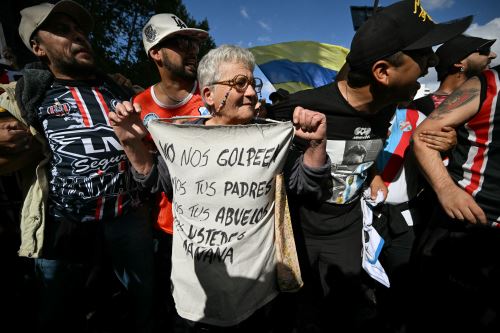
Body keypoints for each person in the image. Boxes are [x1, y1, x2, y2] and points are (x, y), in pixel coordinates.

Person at [268, 0, 472, 331]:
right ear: (382, 72)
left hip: (348, 231)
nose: (433, 63)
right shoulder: (299, 110)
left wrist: (374, 174)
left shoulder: (385, 107)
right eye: (422, 56)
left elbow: (359, 152)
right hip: (301, 236)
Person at [109, 44, 330, 332]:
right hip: (196, 301)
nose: (251, 92)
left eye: (253, 83)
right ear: (209, 95)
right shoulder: (183, 140)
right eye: (239, 83)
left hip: (258, 300)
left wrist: (315, 146)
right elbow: (154, 183)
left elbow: (306, 187)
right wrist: (131, 143)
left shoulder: (269, 138)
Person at [1, 1, 155, 331]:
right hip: (63, 224)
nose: (78, 36)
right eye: (62, 30)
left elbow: (158, 111)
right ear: (37, 47)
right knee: (56, 310)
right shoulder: (24, 94)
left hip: (128, 217)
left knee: (144, 303)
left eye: (80, 30)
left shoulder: (117, 86)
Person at [133, 13, 209, 329]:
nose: (192, 50)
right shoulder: (138, 105)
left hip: (217, 225)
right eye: (180, 43)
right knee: (179, 309)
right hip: (168, 230)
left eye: (193, 43)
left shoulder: (213, 94)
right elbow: (143, 172)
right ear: (156, 53)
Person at [412, 62, 500, 331]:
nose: (492, 53)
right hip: (469, 227)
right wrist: (446, 189)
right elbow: (423, 135)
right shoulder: (490, 83)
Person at [412, 34, 497, 115]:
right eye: (485, 50)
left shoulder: (490, 99)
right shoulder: (418, 108)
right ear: (459, 63)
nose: (494, 55)